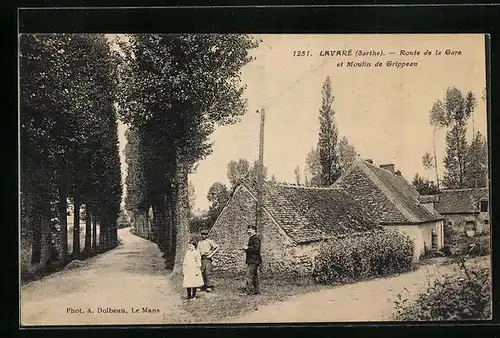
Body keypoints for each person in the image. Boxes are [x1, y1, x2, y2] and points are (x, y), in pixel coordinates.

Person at [242, 225, 261, 295]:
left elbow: (256, 249)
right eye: (248, 230)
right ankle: (257, 291)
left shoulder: (255, 238)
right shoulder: (252, 238)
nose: (248, 231)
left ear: (254, 230)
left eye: (249, 230)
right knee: (254, 276)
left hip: (254, 260)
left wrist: (247, 248)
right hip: (253, 260)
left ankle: (248, 291)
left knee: (249, 275)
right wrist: (246, 249)